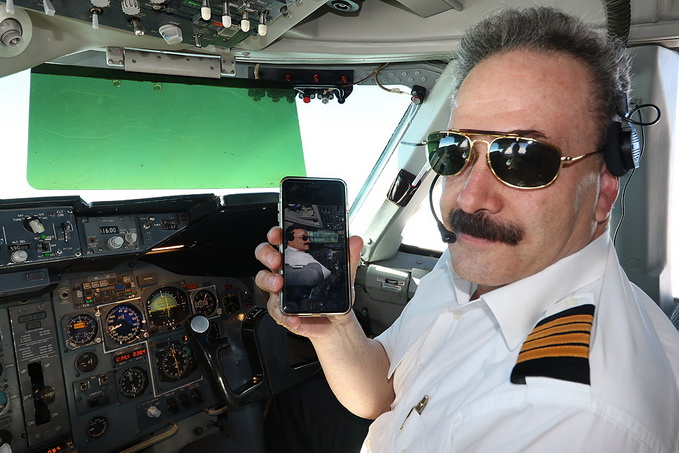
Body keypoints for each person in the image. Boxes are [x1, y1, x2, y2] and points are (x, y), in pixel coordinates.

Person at [255, 6, 679, 452]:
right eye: (455, 150)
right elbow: (384, 394)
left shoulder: (571, 418)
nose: (470, 197)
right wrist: (334, 326)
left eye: (523, 158)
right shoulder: (485, 257)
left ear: (605, 191)